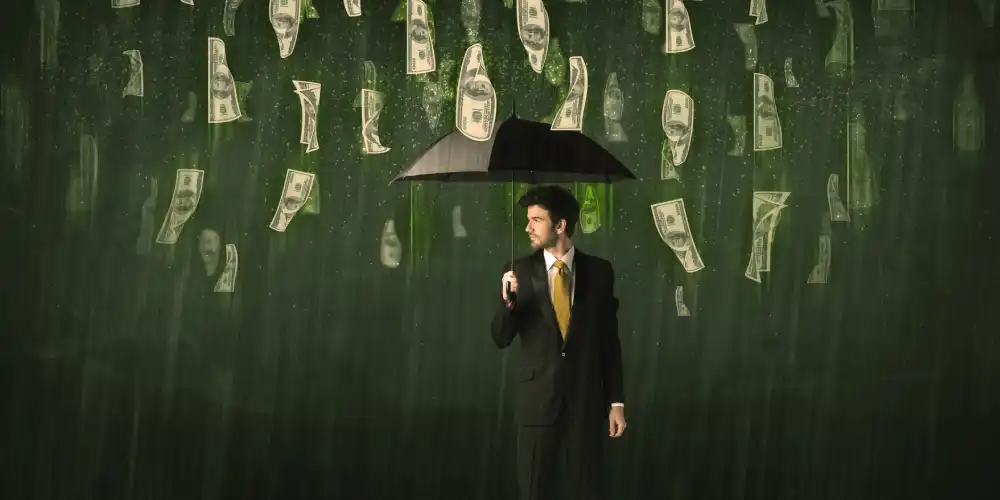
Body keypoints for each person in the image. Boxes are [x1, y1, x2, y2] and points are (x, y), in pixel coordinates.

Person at [491, 185, 626, 500]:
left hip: (586, 402)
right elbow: (500, 337)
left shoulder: (599, 272)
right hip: (537, 406)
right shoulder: (517, 271)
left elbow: (609, 340)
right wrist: (508, 304)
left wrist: (616, 402)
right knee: (535, 491)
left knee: (587, 490)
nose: (528, 228)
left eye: (536, 220)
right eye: (528, 220)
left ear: (561, 225)